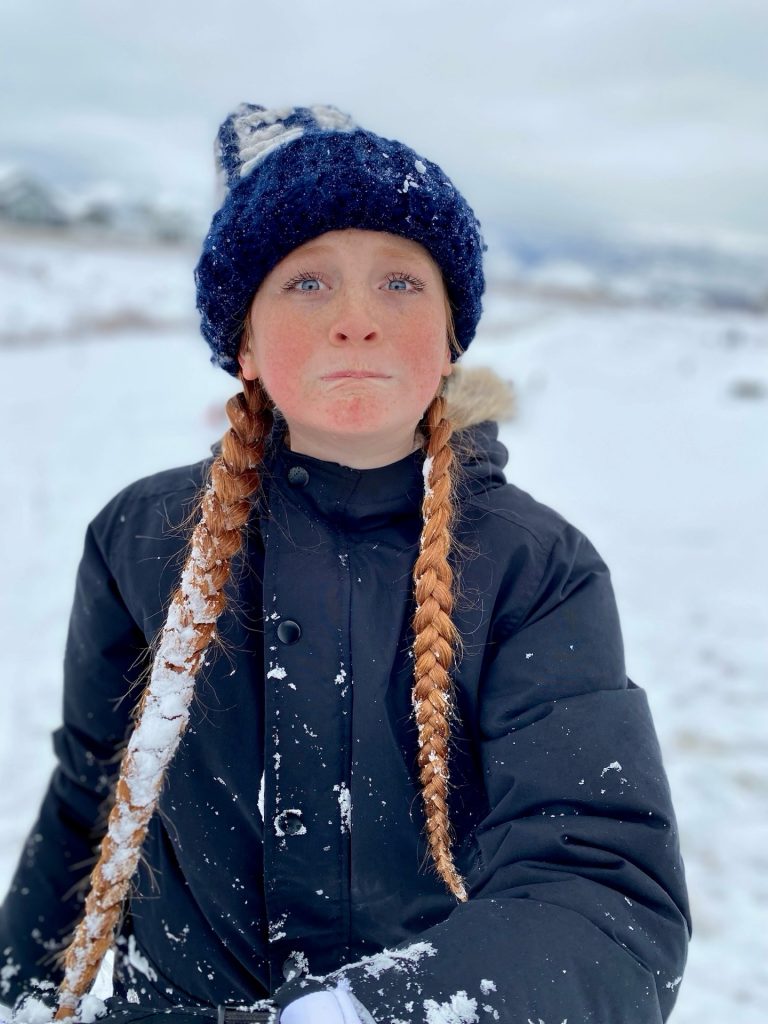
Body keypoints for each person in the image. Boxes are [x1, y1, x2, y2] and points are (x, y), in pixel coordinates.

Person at [0, 104, 691, 1024]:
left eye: (400, 282)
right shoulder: (140, 533)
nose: (357, 320)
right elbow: (88, 802)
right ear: (243, 344)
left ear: (453, 337)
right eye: (307, 282)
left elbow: (602, 893)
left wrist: (364, 1011)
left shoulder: (536, 567)